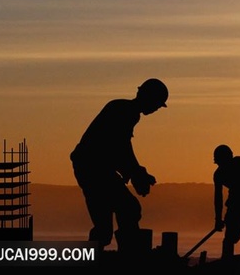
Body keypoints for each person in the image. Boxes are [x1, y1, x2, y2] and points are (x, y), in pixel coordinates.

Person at [70, 78, 169, 251]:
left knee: (112, 222)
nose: (156, 109)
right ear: (149, 98)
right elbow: (119, 147)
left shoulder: (124, 110)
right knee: (127, 210)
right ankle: (129, 256)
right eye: (157, 104)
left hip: (94, 169)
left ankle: (123, 254)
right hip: (93, 170)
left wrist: (137, 172)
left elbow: (119, 149)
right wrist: (137, 173)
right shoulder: (125, 111)